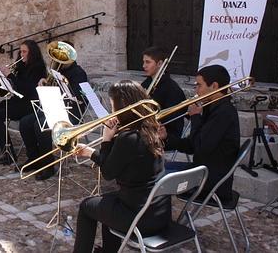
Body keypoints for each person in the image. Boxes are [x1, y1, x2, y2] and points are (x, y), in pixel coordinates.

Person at [72, 80, 170, 252]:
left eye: (113, 107)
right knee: (107, 202)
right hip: (158, 212)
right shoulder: (151, 128)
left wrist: (105, 140)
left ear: (123, 107)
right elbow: (117, 163)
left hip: (139, 217)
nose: (112, 112)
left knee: (87, 206)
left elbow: (108, 173)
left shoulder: (128, 138)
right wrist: (93, 151)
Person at [161, 64, 239, 203]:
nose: (196, 90)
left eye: (199, 85)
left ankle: (156, 220)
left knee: (151, 179)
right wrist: (167, 137)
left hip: (209, 182)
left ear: (214, 86)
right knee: (156, 170)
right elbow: (192, 146)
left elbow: (200, 147)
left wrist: (195, 117)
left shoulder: (224, 113)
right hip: (201, 171)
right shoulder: (213, 108)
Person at [19, 51, 88, 180]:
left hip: (71, 113)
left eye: (64, 57)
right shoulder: (57, 71)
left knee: (40, 126)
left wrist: (64, 86)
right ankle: (34, 158)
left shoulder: (79, 73)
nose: (60, 60)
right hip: (54, 108)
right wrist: (44, 82)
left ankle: (48, 165)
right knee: (25, 122)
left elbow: (80, 98)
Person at [0, 40, 46, 165]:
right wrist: (4, 76)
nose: (21, 54)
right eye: (20, 51)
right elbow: (16, 85)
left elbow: (27, 89)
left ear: (32, 53)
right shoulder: (21, 65)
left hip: (29, 104)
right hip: (17, 100)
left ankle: (9, 153)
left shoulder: (38, 67)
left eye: (24, 52)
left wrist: (11, 75)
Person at [140, 46, 186, 138]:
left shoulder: (172, 88)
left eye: (148, 62)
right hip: (146, 129)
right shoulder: (145, 84)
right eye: (144, 62)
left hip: (164, 134)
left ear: (160, 63)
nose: (144, 66)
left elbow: (172, 119)